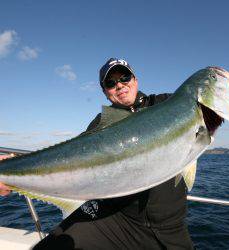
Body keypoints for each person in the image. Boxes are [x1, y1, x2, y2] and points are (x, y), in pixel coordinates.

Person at [31, 58, 194, 250]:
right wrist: (12, 167)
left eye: (125, 77)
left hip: (171, 229)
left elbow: (205, 110)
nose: (120, 85)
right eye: (111, 83)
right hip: (118, 221)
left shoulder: (166, 103)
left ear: (135, 80)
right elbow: (69, 160)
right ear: (105, 92)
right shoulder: (101, 124)